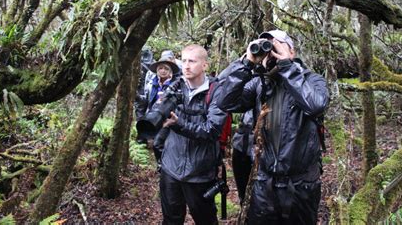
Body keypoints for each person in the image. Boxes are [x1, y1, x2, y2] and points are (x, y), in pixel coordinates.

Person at [218, 30, 329, 224]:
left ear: (292, 52)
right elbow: (225, 102)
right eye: (267, 47)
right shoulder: (260, 84)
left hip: (300, 184)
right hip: (264, 182)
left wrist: (287, 67)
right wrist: (246, 64)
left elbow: (316, 105)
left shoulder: (312, 80)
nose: (271, 53)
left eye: (276, 46)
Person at [158, 44, 227, 225]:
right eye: (185, 60)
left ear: (205, 65)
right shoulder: (176, 87)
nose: (186, 66)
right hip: (171, 168)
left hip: (200, 172)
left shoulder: (216, 91)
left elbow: (212, 129)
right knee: (171, 220)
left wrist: (179, 124)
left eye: (192, 61)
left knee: (205, 220)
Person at [135, 51, 180, 146]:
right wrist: (137, 97)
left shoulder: (176, 84)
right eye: (160, 68)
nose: (163, 71)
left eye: (166, 69)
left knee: (159, 144)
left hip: (167, 118)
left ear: (170, 71)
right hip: (152, 116)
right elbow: (146, 101)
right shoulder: (151, 83)